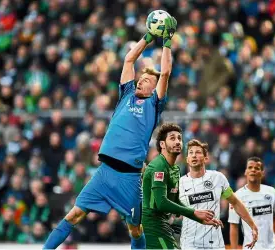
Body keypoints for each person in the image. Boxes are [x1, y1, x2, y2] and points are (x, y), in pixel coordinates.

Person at [43, 15, 178, 249]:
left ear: (153, 87)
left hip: (129, 178)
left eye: (146, 80)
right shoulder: (126, 94)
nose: (140, 81)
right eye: (141, 78)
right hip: (105, 173)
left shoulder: (154, 105)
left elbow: (165, 73)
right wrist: (148, 37)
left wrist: (166, 42)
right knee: (74, 215)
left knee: (135, 229)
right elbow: (128, 60)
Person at [142, 123, 219, 249]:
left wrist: (198, 218)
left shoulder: (175, 169)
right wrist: (194, 212)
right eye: (172, 138)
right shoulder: (158, 167)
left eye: (179, 138)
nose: (178, 142)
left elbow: (175, 200)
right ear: (162, 144)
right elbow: (161, 203)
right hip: (152, 225)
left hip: (163, 224)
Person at [179, 139, 258, 250]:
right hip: (190, 243)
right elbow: (174, 212)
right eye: (191, 153)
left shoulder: (218, 178)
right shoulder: (180, 183)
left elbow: (235, 202)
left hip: (215, 243)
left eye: (198, 152)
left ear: (206, 158)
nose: (194, 155)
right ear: (187, 159)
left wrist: (252, 225)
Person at [228, 157, 275, 249]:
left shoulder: (271, 192)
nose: (253, 170)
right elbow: (234, 225)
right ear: (245, 172)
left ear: (263, 173)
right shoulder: (237, 197)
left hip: (272, 247)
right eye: (250, 167)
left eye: (257, 168)